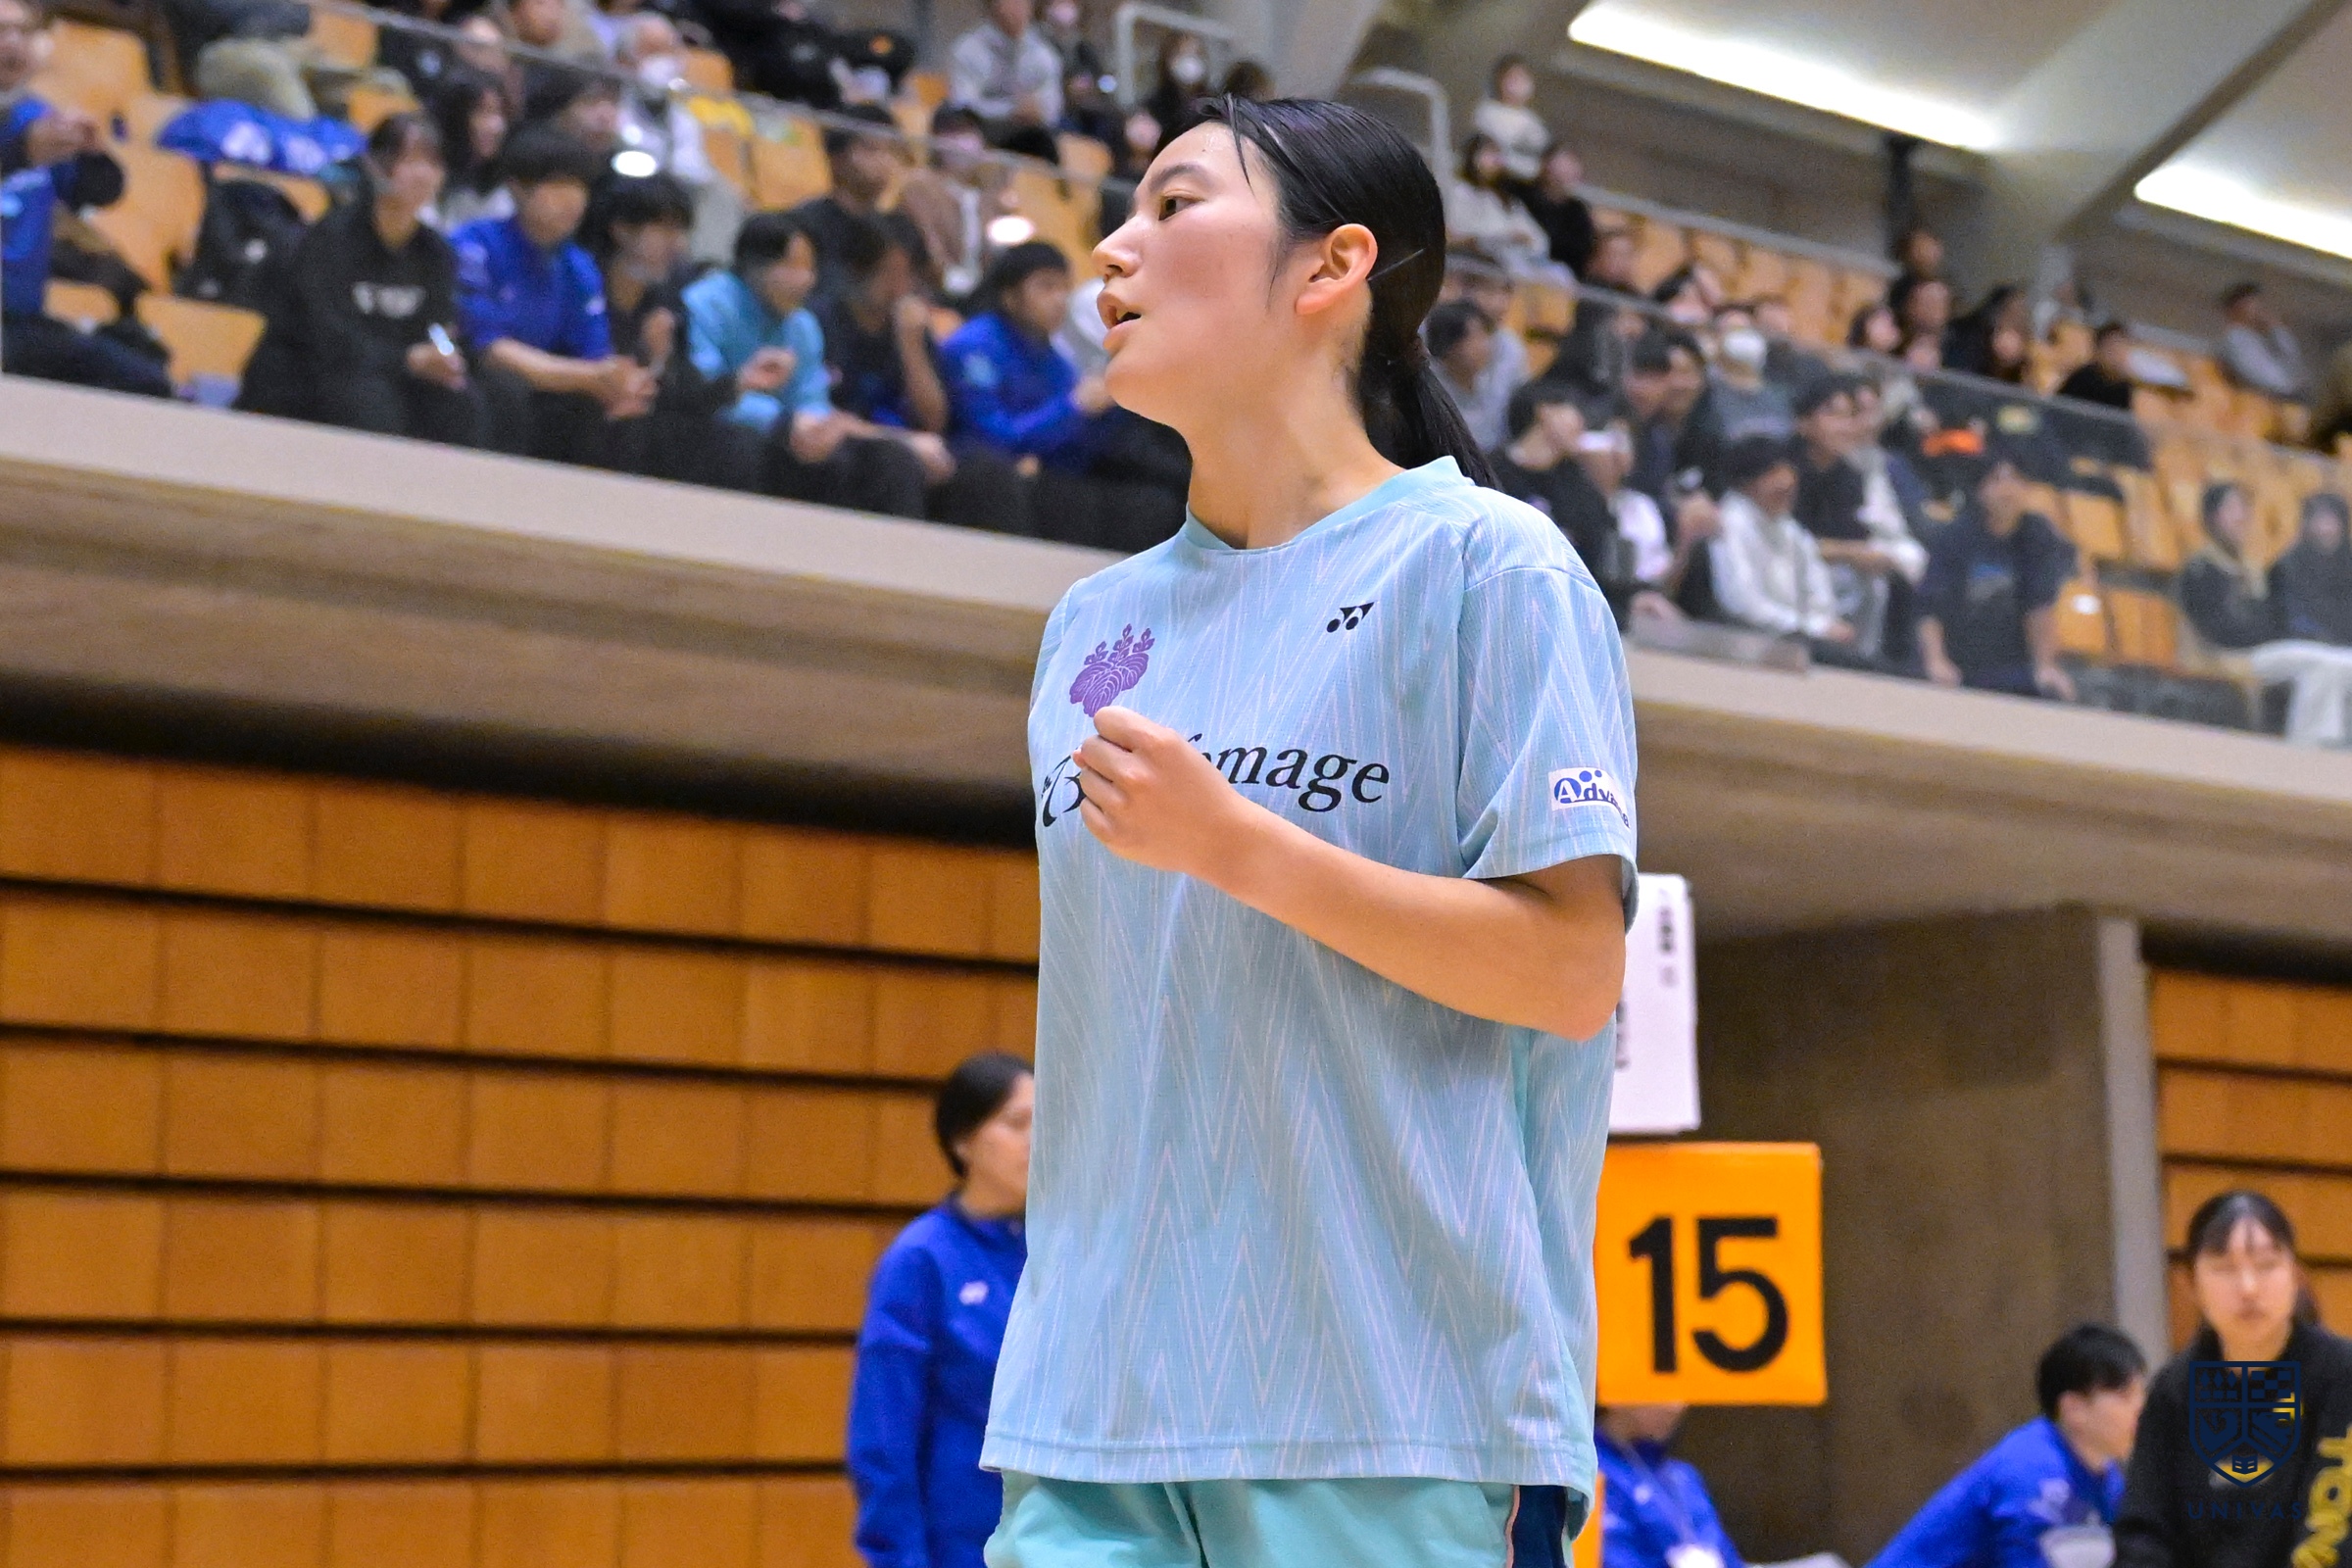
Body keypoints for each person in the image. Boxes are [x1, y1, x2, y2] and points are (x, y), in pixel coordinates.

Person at [987, 96, 1636, 1568]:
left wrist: (1242, 848)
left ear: (1333, 266)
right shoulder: (1091, 627)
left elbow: (1570, 973)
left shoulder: (1491, 568)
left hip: (1393, 1420)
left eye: (1173, 204)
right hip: (1088, 1421)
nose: (1113, 248)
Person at [850, 1052, 1033, 1568]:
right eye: (1017, 1122)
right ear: (963, 1141)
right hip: (959, 1545)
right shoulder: (921, 1259)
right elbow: (884, 1436)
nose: (1037, 1140)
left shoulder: (1062, 1254)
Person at [2116, 1189, 2352, 1568]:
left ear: (2295, 1275)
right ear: (2191, 1284)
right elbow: (2144, 1531)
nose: (2248, 1288)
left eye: (2267, 1265)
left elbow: (2333, 1533)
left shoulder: (2341, 1373)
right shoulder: (2173, 1390)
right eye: (2224, 1269)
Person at [238, 113, 481, 443]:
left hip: (392, 371)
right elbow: (326, 335)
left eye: (434, 164)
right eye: (411, 161)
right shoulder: (330, 239)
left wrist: (444, 354)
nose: (424, 175)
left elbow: (437, 324)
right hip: (311, 371)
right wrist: (405, 360)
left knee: (463, 404)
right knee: (368, 399)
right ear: (375, 166)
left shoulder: (436, 253)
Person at [682, 209, 932, 515]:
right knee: (741, 447)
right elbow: (700, 389)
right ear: (754, 265)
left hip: (788, 435)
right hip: (714, 430)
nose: (807, 280)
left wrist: (816, 426)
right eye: (793, 266)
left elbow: (811, 398)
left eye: (810, 268)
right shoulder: (704, 303)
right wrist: (782, 421)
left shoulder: (803, 324)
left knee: (885, 460)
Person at [942, 240, 1186, 551]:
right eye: (1046, 287)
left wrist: (1114, 405)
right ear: (1010, 296)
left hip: (1036, 472)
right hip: (975, 469)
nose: (1059, 299)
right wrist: (1075, 406)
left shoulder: (1054, 360)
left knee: (1149, 498)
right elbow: (993, 436)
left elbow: (1074, 448)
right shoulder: (973, 346)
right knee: (1056, 496)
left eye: (1064, 288)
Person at [1, 0, 174, 399]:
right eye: (0, 31)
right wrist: (19, 153)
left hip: (19, 320)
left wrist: (92, 154)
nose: (12, 43)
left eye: (23, 32)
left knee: (143, 381)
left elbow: (101, 192)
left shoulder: (38, 116)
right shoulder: (30, 133)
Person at [454, 126, 657, 464]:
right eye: (558, 184)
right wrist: (590, 377)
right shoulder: (476, 244)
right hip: (480, 376)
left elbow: (594, 354)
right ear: (518, 188)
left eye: (580, 186)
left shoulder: (579, 266)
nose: (573, 199)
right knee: (504, 389)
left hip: (549, 384)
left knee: (620, 411)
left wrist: (622, 382)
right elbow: (488, 350)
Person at [1869, 1325, 2146, 1568]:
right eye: (2125, 1396)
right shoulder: (2032, 1471)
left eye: (2141, 1394)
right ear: (2074, 1409)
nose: (2141, 1408)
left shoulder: (2107, 1478)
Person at [821, 214, 1029, 534]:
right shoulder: (825, 321)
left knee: (988, 470)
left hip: (907, 441)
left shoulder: (912, 329)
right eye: (889, 273)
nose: (900, 287)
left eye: (908, 275)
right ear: (858, 269)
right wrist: (904, 441)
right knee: (893, 462)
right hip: (849, 442)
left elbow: (933, 420)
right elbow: (821, 413)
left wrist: (912, 346)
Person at [581, 169, 761, 487]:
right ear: (622, 230)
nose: (677, 245)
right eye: (665, 230)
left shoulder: (666, 303)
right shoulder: (583, 284)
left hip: (641, 420)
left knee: (734, 442)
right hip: (584, 405)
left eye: (680, 232)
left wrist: (737, 381)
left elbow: (685, 397)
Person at [2180, 479, 2352, 746]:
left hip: (2264, 650)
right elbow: (2220, 628)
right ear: (2212, 518)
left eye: (2243, 508)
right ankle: (2307, 745)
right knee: (2324, 663)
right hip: (2232, 655)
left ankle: (2336, 743)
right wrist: (2269, 632)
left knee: (2341, 663)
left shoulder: (2252, 568)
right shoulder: (2202, 569)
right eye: (2232, 509)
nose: (2241, 517)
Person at [1916, 454, 2077, 699]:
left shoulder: (2037, 536)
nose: (2007, 490)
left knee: (2052, 693)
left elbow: (2040, 607)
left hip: (2012, 668)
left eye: (2016, 480)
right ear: (1980, 490)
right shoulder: (1954, 536)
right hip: (1958, 661)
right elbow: (1930, 608)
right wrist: (1936, 661)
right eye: (1997, 480)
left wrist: (2046, 666)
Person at [1793, 373, 1922, 662]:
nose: (1844, 426)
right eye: (1833, 415)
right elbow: (1784, 540)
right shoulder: (1785, 471)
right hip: (1789, 571)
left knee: (1888, 580)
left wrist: (1864, 555)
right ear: (1803, 423)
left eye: (1850, 416)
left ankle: (1874, 662)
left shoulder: (1849, 477)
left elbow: (1853, 537)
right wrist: (1849, 552)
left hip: (1835, 569)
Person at [1708, 434, 1849, 645]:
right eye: (1773, 473)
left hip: (1801, 637)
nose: (1786, 482)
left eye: (1788, 471)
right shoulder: (1729, 524)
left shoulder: (1790, 528)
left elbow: (1817, 590)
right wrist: (1813, 627)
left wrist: (1824, 624)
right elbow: (1741, 603)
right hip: (1748, 638)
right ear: (1746, 481)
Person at [1487, 380, 1620, 590]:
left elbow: (1598, 551)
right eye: (1574, 411)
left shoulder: (1578, 482)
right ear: (1545, 411)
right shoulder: (1489, 472)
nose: (1582, 424)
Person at [1595, 1404, 1744, 1568]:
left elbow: (1727, 1556)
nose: (1674, 1407)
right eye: (1659, 1392)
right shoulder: (1596, 1474)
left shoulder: (1685, 1477)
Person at [897, 104, 1014, 302]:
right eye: (953, 131)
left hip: (983, 295)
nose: (963, 139)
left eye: (969, 131)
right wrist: (951, 281)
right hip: (935, 293)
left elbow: (999, 246)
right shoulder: (920, 187)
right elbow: (927, 244)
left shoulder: (987, 195)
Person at [791, 103, 903, 303]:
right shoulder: (806, 224)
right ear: (837, 159)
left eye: (891, 151)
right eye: (872, 149)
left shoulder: (893, 229)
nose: (884, 161)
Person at [949, 0, 1062, 160]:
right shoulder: (969, 50)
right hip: (983, 133)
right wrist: (1010, 111)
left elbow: (1052, 108)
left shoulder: (1043, 54)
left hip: (1031, 135)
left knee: (1047, 141)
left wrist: (1038, 111)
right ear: (993, 7)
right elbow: (963, 105)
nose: (1018, 8)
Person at [1445, 131, 1553, 280]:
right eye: (1489, 154)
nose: (1495, 160)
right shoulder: (1461, 193)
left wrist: (1524, 239)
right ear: (1473, 157)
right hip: (1480, 262)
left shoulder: (1506, 200)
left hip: (1519, 259)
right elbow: (1461, 231)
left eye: (1497, 154)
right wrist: (1506, 235)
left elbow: (1537, 238)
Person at [429, 71, 515, 231]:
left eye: (500, 113)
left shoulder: (498, 185)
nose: (497, 126)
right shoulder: (427, 172)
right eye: (483, 112)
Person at [2272, 492, 2352, 645]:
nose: (2325, 529)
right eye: (2320, 520)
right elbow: (2290, 619)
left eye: (2332, 521)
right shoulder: (2287, 568)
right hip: (2304, 648)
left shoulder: (2348, 565)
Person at [1427, 298, 1506, 452]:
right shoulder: (1431, 392)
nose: (1484, 345)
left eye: (1485, 335)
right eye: (1476, 337)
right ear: (1450, 346)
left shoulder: (1490, 380)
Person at [1708, 306, 1793, 444]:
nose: (1742, 339)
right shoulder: (1707, 392)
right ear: (1714, 338)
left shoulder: (1777, 393)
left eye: (1748, 331)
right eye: (1734, 331)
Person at [2217, 280, 2305, 400]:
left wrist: (2276, 329)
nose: (2257, 308)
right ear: (2237, 307)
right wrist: (2282, 390)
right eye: (2250, 303)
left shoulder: (2259, 336)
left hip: (2286, 394)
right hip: (2267, 398)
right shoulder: (2234, 339)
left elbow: (2293, 359)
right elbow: (2251, 373)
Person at [1520, 140, 1594, 279]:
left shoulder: (1577, 212)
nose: (1567, 171)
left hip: (1554, 274)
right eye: (1562, 165)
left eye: (1572, 165)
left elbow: (1579, 254)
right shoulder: (1520, 194)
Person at [1473, 54, 1548, 183]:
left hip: (1528, 184)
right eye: (1513, 78)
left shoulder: (1533, 120)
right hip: (1497, 180)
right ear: (1500, 80)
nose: (1519, 83)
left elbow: (1541, 152)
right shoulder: (1487, 112)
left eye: (1523, 77)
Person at [1140, 31, 1208, 151]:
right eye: (1183, 54)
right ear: (1167, 59)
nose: (1190, 61)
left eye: (1196, 54)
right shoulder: (1154, 106)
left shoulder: (1212, 104)